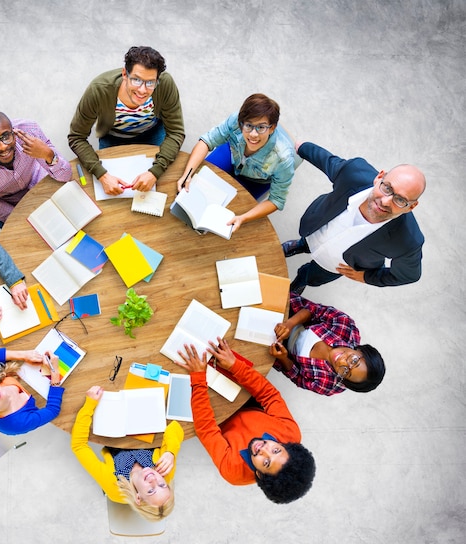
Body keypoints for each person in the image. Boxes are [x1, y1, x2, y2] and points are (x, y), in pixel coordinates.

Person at [176, 339, 315, 504]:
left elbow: (206, 428)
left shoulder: (233, 472)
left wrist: (198, 378)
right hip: (244, 399)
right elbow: (268, 395)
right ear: (287, 446)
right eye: (276, 450)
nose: (263, 449)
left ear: (260, 475)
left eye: (266, 462)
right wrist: (235, 365)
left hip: (213, 414)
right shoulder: (291, 434)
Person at [282, 142, 427, 293]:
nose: (385, 201)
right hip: (314, 229)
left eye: (400, 200)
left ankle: (299, 283)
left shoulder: (409, 242)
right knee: (305, 242)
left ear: (411, 206)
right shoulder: (354, 172)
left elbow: (408, 275)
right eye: (388, 188)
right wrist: (302, 147)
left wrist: (368, 277)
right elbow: (327, 161)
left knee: (309, 276)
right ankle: (300, 245)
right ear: (379, 177)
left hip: (334, 265)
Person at [68, 46, 185, 196]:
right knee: (112, 192)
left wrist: (155, 172)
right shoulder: (98, 89)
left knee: (161, 187)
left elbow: (176, 132)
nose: (142, 90)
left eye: (150, 83)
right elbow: (76, 137)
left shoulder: (165, 83)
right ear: (125, 74)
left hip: (152, 132)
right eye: (136, 80)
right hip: (112, 137)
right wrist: (102, 175)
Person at [177, 93, 296, 232]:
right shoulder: (235, 120)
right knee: (194, 187)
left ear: (272, 128)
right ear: (241, 123)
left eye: (261, 127)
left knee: (226, 216)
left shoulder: (284, 159)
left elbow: (276, 200)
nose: (253, 134)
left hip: (257, 180)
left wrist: (243, 218)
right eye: (248, 125)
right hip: (231, 156)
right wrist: (187, 173)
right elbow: (207, 141)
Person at [71, 386, 184, 521]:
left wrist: (89, 405)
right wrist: (171, 452)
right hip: (141, 421)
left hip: (111, 428)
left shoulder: (113, 485)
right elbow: (174, 427)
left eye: (150, 490)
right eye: (161, 485)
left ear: (138, 497)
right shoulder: (165, 473)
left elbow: (79, 446)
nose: (153, 479)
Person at [0, 110, 72, 227]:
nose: (2, 147)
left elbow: (66, 175)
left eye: (6, 136)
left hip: (39, 181)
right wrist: (23, 219)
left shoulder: (30, 132)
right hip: (9, 203)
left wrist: (48, 155)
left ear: (13, 133)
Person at [269, 292, 385, 395]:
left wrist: (283, 358)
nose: (341, 362)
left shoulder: (328, 386)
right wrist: (289, 324)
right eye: (354, 360)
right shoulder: (346, 326)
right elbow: (314, 310)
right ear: (361, 350)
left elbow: (297, 377)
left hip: (273, 349)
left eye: (345, 372)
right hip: (290, 313)